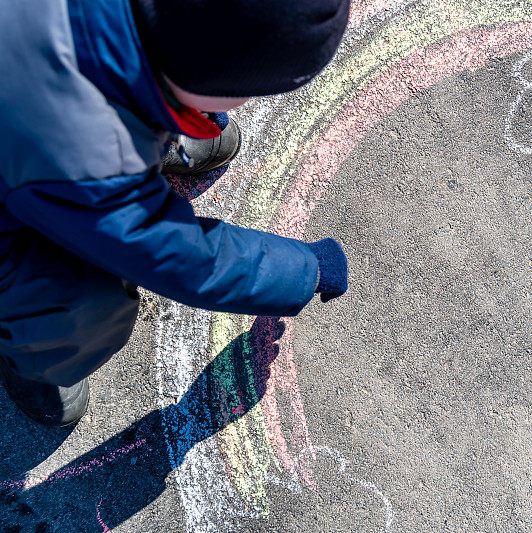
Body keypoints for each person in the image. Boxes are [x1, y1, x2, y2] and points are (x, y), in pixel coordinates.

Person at [0, 0, 351, 427]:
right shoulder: (89, 159)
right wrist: (304, 270)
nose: (243, 102)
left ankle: (154, 123)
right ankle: (37, 360)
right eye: (243, 88)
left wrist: (177, 107)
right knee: (82, 295)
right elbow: (184, 258)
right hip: (35, 159)